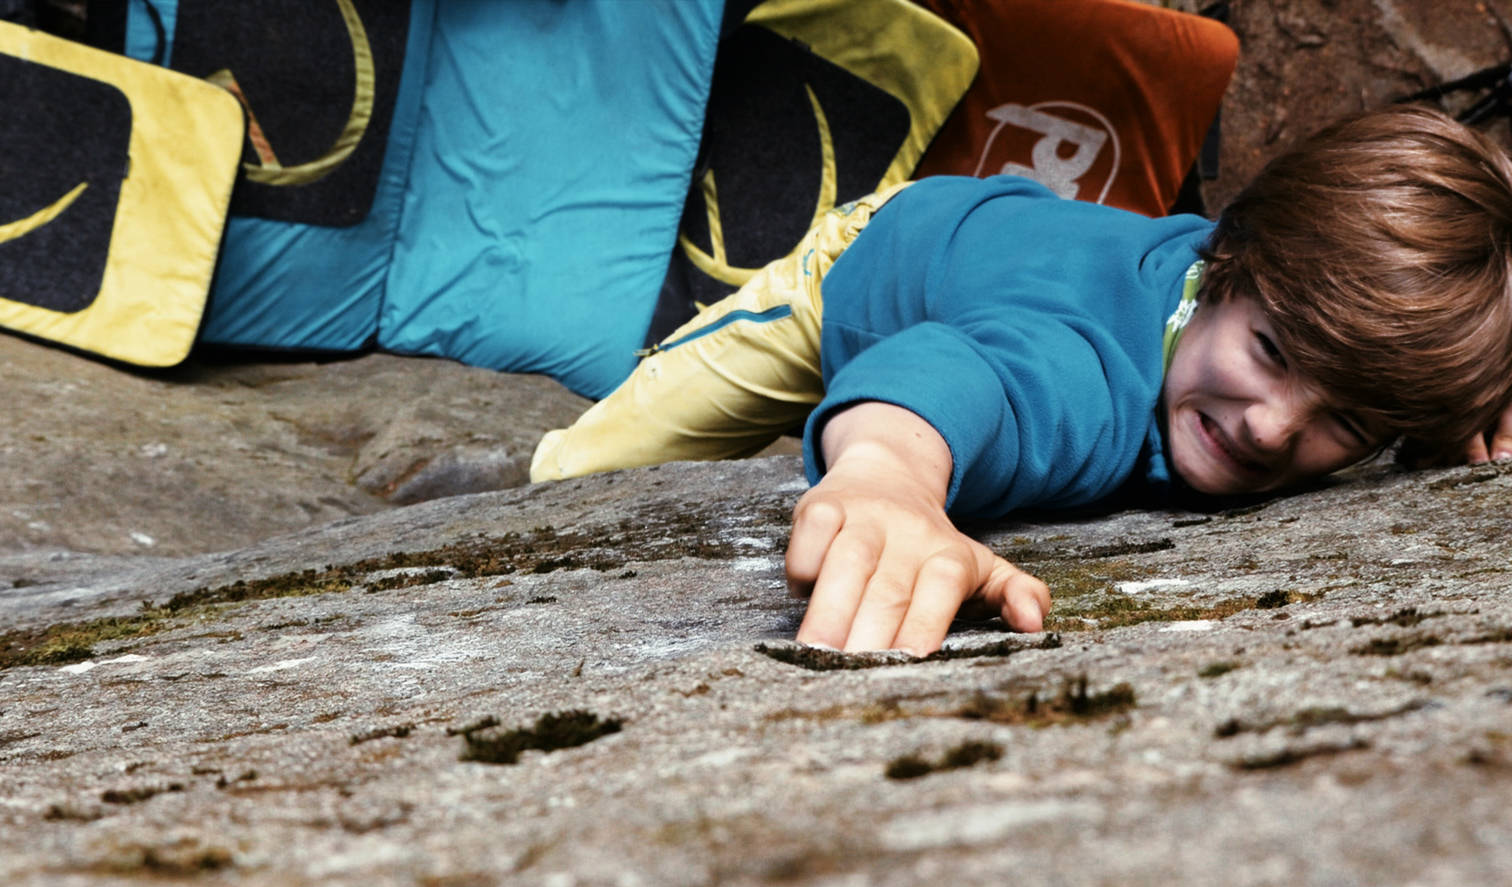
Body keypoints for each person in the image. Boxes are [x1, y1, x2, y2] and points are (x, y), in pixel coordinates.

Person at [532, 103, 1512, 655]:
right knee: (589, 473)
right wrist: (889, 481)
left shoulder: (1292, 297)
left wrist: (1462, 395)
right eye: (1274, 354)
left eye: (1345, 418)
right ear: (1224, 267)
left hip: (1024, 240)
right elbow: (959, 376)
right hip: (876, 259)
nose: (1270, 429)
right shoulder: (1086, 376)